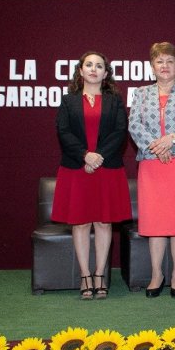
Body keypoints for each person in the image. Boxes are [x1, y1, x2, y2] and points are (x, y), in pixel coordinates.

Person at [51, 51, 131, 300]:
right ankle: (85, 275)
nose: (94, 69)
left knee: (104, 223)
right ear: (81, 71)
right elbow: (63, 131)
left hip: (107, 168)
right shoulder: (68, 101)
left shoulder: (115, 101)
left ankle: (100, 275)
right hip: (76, 169)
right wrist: (85, 156)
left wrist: (98, 157)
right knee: (81, 223)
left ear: (105, 74)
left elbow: (120, 131)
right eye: (89, 65)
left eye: (99, 66)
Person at [128, 42, 175, 299]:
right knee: (156, 222)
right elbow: (134, 124)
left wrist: (170, 140)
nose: (165, 66)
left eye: (170, 61)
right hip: (152, 163)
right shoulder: (140, 94)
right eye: (160, 61)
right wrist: (157, 147)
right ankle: (157, 274)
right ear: (152, 66)